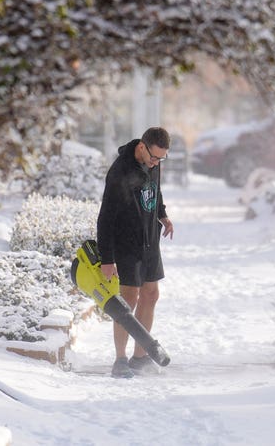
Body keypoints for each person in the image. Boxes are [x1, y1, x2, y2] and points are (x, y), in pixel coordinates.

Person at [96, 127, 174, 378]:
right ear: (142, 146)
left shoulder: (154, 162)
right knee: (127, 300)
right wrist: (107, 259)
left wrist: (162, 214)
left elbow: (155, 190)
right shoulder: (120, 172)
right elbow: (105, 218)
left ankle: (140, 357)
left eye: (161, 159)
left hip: (150, 240)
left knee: (151, 295)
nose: (156, 163)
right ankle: (120, 360)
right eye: (154, 157)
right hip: (127, 244)